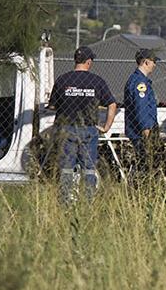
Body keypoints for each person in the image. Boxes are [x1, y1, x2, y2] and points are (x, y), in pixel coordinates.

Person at [47, 46, 116, 202]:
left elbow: (52, 106)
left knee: (66, 168)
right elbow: (112, 104)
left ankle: (65, 200)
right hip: (88, 129)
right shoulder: (97, 81)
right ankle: (88, 200)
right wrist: (106, 127)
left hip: (67, 128)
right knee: (89, 168)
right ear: (89, 62)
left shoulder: (62, 80)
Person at [124, 48, 161, 172]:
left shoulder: (139, 80)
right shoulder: (140, 82)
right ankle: (145, 188)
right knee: (147, 165)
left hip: (141, 130)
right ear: (145, 62)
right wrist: (146, 129)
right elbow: (141, 107)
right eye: (153, 62)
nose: (154, 65)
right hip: (142, 132)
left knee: (146, 163)